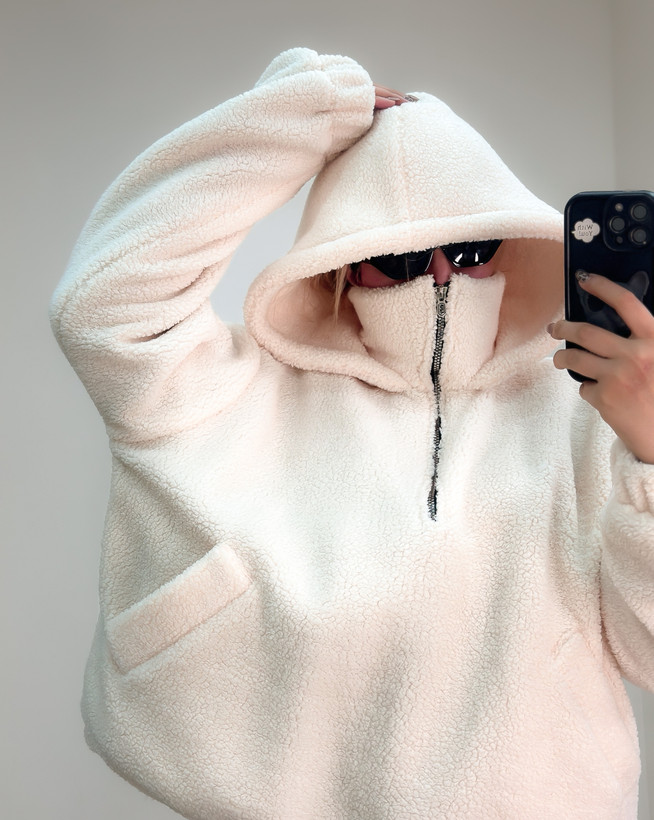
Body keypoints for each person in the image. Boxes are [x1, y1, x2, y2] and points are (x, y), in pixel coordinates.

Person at [49, 47, 654, 819]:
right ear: (340, 263)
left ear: (512, 244)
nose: (441, 276)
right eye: (398, 255)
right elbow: (101, 311)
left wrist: (650, 453)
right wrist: (306, 111)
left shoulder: (591, 408)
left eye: (472, 248)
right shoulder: (239, 391)